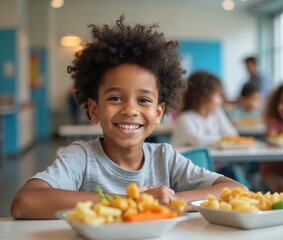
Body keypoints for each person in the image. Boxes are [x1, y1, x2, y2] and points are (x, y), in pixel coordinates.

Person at [10, 15, 243, 219]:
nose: (130, 110)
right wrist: (130, 201)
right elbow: (25, 203)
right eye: (115, 98)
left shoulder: (166, 158)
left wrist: (171, 201)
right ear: (94, 110)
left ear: (159, 112)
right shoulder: (82, 157)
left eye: (143, 100)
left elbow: (236, 190)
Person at [171, 71, 238, 148]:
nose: (221, 100)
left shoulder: (217, 113)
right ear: (202, 95)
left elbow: (233, 134)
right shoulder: (185, 118)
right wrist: (224, 139)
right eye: (218, 95)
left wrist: (226, 139)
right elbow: (199, 141)